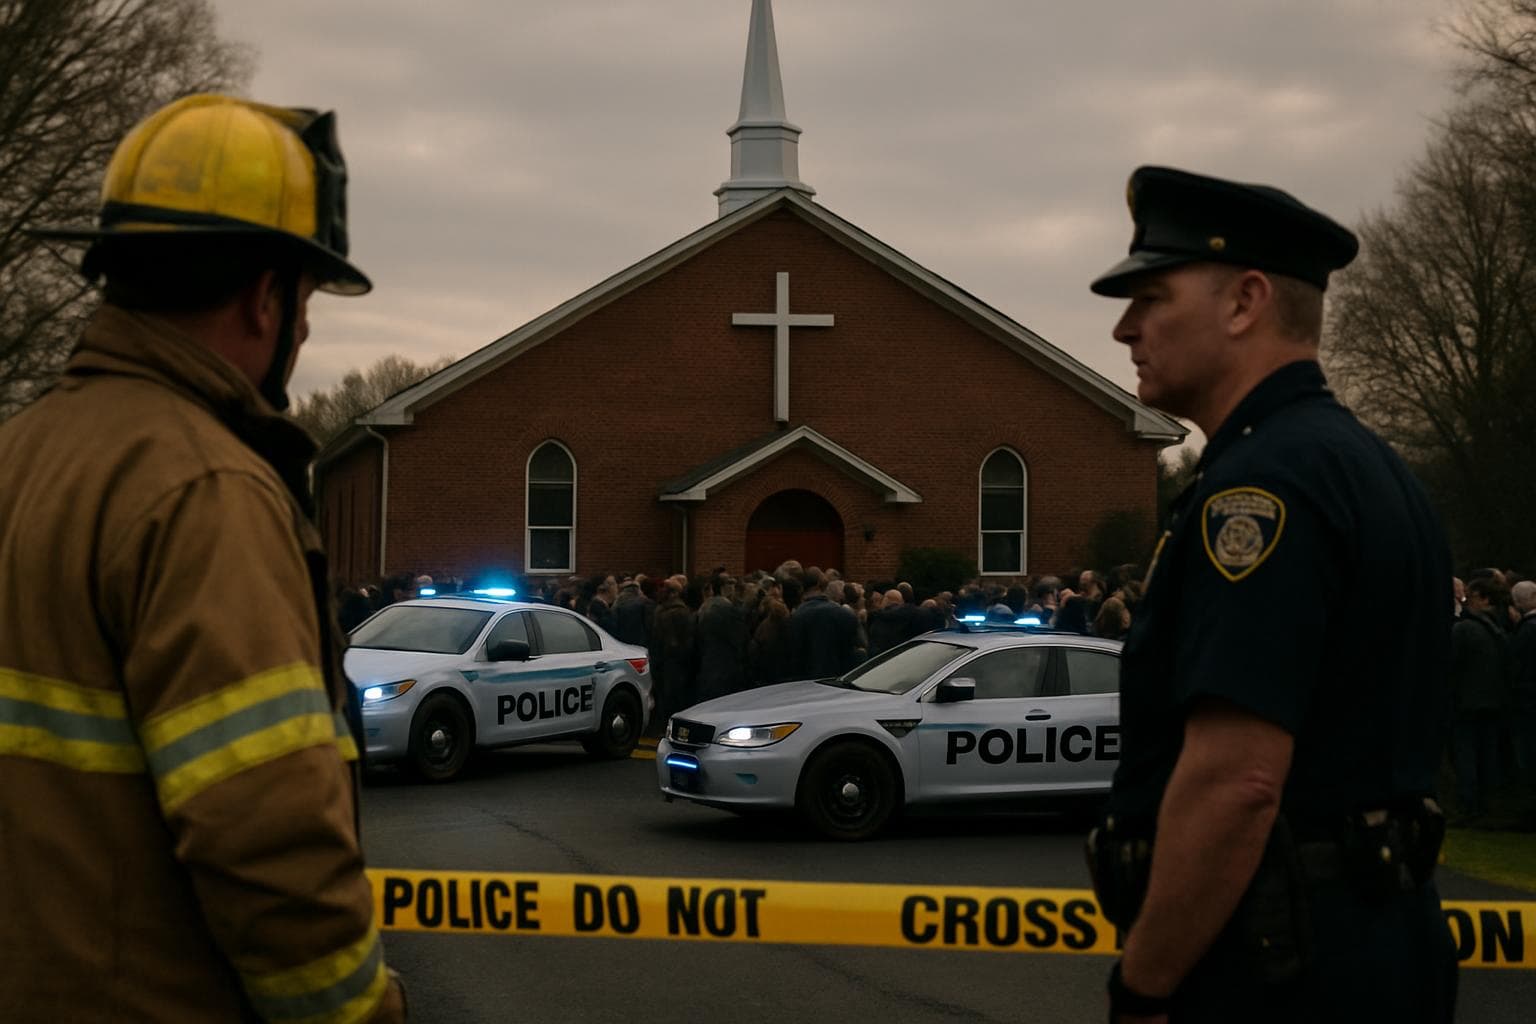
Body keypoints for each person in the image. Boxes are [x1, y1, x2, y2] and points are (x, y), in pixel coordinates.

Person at [0, 95, 404, 1019]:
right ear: (266, 298)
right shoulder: (206, 493)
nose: (301, 333)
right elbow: (270, 840)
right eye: (304, 302)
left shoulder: (17, 455)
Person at [1084, 166, 1456, 1022]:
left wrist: (1143, 986)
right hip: (1376, 934)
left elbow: (1238, 778)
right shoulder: (1364, 466)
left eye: (1150, 297)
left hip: (1280, 963)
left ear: (1244, 302)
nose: (1123, 328)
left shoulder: (1261, 489)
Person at [1450, 576, 1513, 820]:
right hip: (1493, 701)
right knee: (1488, 756)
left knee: (1466, 754)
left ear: (1483, 598)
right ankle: (1489, 806)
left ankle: (1469, 805)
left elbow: (1452, 666)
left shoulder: (1465, 629)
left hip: (1467, 702)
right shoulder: (1497, 629)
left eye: (1471, 597)